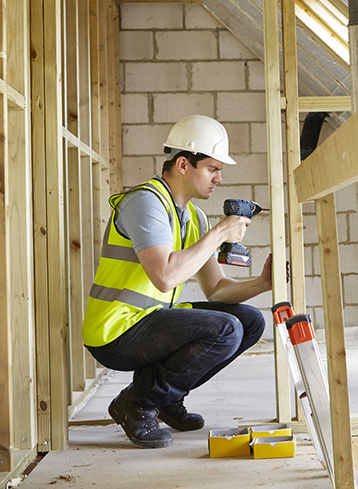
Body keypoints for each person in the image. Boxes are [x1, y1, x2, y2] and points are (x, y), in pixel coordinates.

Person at [82, 114, 272, 449]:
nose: (219, 178)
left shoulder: (193, 216)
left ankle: (167, 398)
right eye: (212, 169)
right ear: (183, 164)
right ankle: (137, 403)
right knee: (224, 329)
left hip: (150, 323)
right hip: (115, 331)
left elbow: (217, 289)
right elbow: (165, 275)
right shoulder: (145, 202)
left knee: (249, 321)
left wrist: (262, 283)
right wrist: (219, 234)